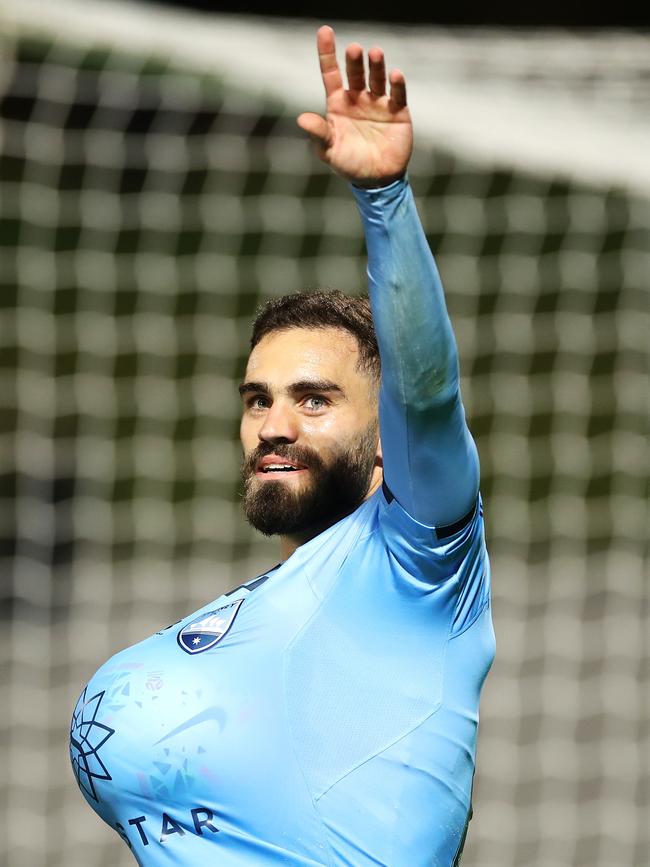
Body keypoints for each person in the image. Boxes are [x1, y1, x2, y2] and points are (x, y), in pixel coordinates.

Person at [69, 25, 494, 866]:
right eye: (257, 399)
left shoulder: (420, 568)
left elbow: (429, 392)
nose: (273, 424)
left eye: (314, 399)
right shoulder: (256, 610)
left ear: (386, 443)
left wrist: (385, 201)